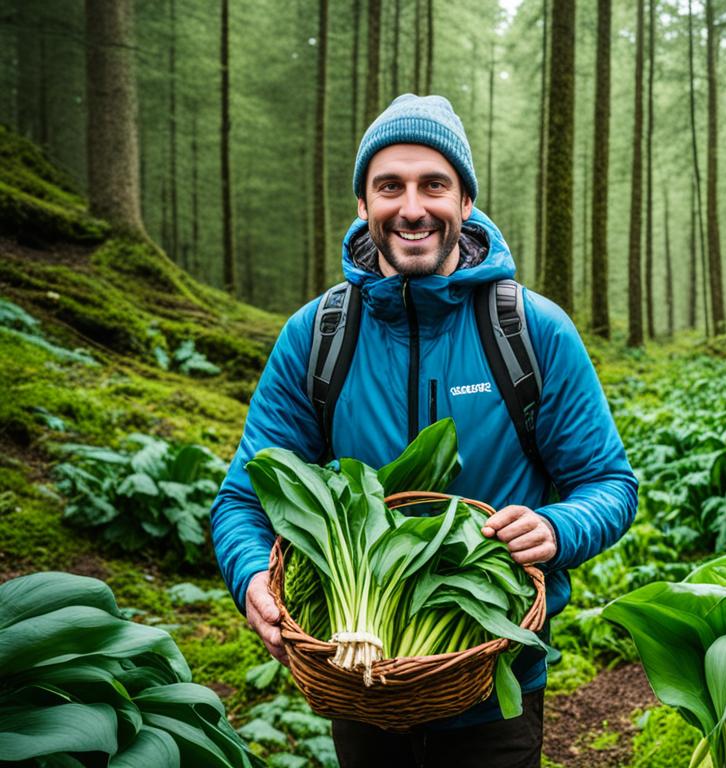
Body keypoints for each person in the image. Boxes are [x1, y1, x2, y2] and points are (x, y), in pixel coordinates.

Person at [210, 93, 638, 767]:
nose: (412, 207)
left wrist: (558, 530)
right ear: (363, 206)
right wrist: (250, 578)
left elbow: (609, 484)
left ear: (465, 202)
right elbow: (244, 498)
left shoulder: (531, 331)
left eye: (433, 184)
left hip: (496, 681)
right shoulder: (318, 336)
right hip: (362, 674)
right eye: (389, 187)